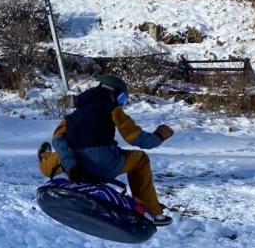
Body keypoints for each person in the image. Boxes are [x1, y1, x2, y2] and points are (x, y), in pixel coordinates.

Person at [38, 75, 175, 226]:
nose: (121, 104)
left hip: (78, 169)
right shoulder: (112, 107)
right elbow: (136, 138)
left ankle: (45, 161)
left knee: (65, 151)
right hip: (106, 165)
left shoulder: (73, 116)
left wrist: (72, 167)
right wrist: (159, 136)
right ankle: (152, 211)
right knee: (141, 159)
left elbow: (58, 139)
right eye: (122, 99)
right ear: (114, 93)